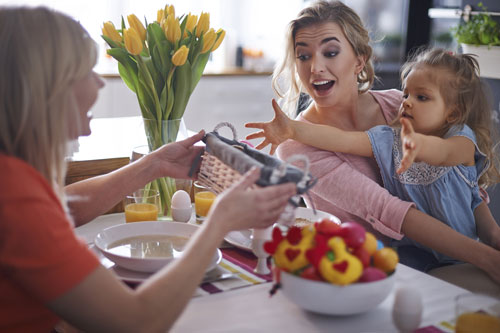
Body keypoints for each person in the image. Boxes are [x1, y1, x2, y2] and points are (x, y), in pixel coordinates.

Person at [0, 6, 296, 332]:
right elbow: (137, 321)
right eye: (86, 72)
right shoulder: (15, 197)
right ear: (48, 90)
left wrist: (154, 164)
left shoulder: (13, 179)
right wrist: (219, 222)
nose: (99, 84)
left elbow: (62, 208)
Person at [244, 0, 500, 293]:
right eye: (303, 56)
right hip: (372, 273)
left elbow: (459, 178)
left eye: (330, 52)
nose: (315, 68)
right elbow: (390, 210)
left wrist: (491, 234)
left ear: (359, 59)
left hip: (455, 254)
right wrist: (486, 258)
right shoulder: (294, 148)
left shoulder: (400, 104)